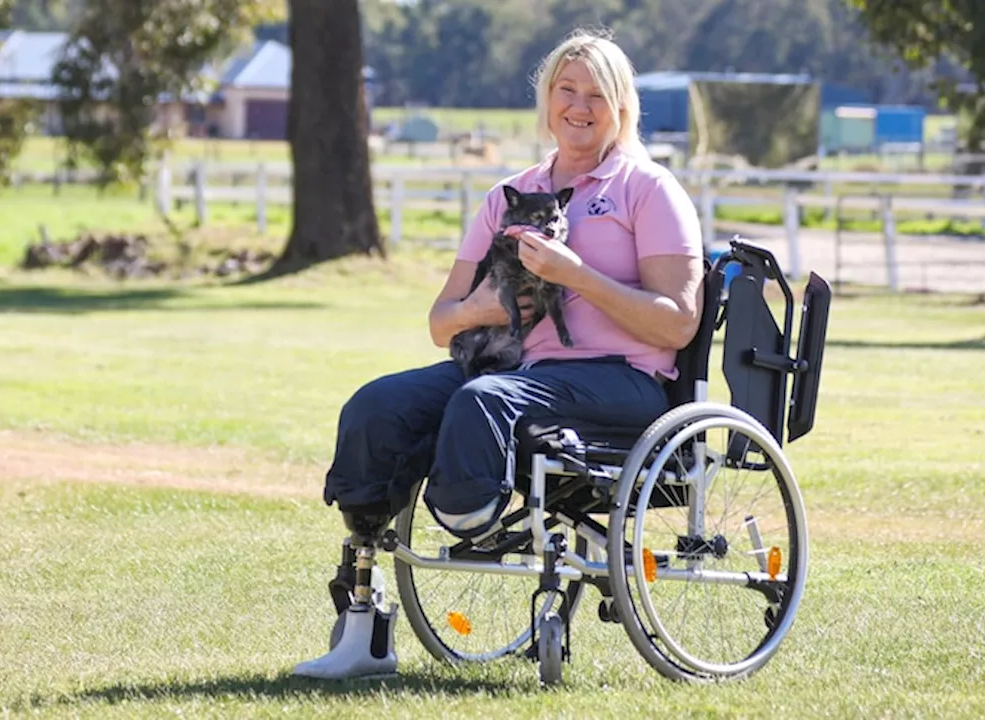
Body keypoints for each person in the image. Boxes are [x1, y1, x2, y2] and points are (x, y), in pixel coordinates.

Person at [292, 27, 705, 680]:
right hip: (511, 368)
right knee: (378, 405)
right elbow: (441, 321)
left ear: (622, 106)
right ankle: (363, 633)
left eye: (597, 94)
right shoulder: (507, 196)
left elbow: (679, 323)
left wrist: (576, 275)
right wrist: (486, 308)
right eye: (566, 90)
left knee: (484, 401)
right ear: (546, 101)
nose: (579, 106)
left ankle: (469, 513)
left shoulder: (647, 191)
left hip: (622, 382)